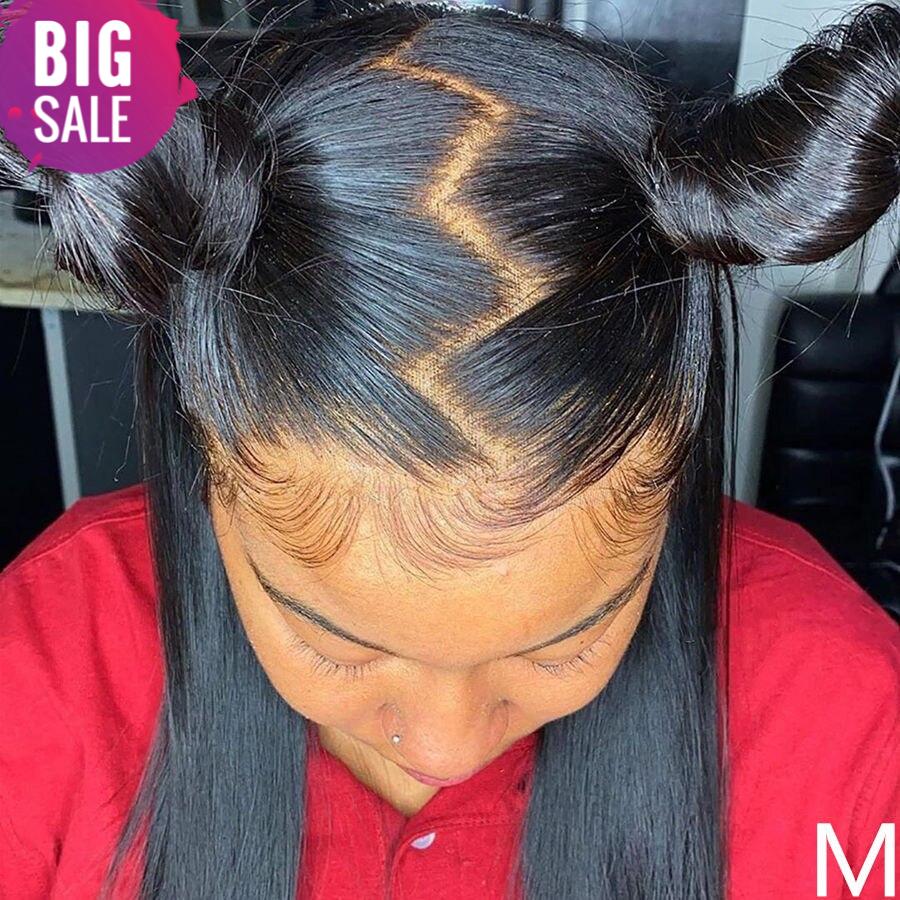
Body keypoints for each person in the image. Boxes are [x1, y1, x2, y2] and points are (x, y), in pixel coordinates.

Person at [0, 2, 898, 898]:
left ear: (668, 484)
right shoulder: (42, 662)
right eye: (337, 647)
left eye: (561, 648)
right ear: (208, 468)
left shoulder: (848, 723)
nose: (447, 747)